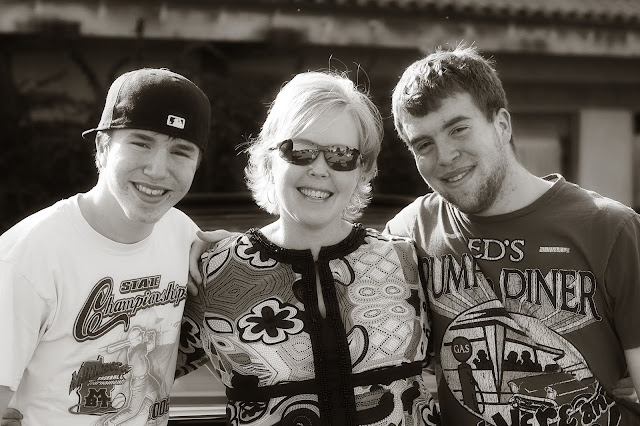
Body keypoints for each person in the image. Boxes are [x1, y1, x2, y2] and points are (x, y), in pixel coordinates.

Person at [385, 43, 640, 425]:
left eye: (458, 129)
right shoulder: (409, 235)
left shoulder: (611, 230)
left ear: (502, 125)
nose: (445, 156)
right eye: (424, 144)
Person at [176, 71, 440, 425]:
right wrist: (170, 243)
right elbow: (134, 375)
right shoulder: (214, 272)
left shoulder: (407, 261)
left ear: (362, 170)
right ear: (269, 158)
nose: (319, 169)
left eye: (341, 154)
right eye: (300, 150)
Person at [0, 67, 211, 426]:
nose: (158, 170)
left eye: (181, 151)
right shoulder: (27, 256)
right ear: (102, 146)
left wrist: (232, 253)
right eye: (141, 143)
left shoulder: (183, 234)